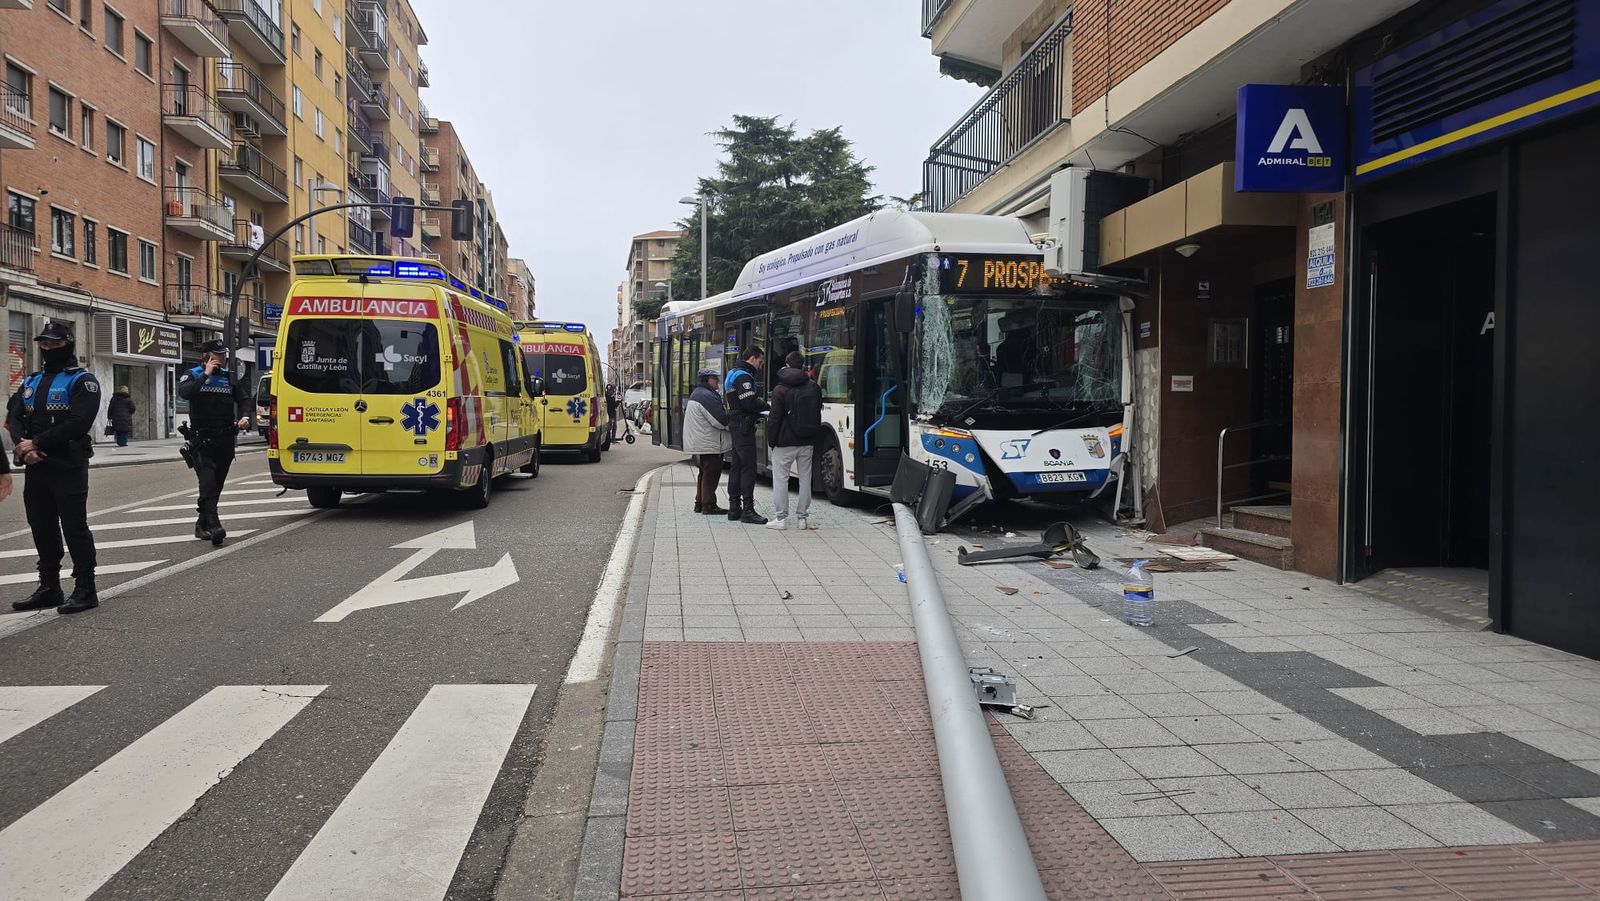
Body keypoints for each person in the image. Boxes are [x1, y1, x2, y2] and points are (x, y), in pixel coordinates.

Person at [5, 322, 101, 615]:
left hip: (68, 465)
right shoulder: (31, 381)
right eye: (44, 344)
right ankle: (50, 587)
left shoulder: (83, 381)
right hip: (37, 467)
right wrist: (24, 447)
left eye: (54, 345)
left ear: (68, 345)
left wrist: (36, 443)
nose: (48, 349)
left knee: (74, 527)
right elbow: (15, 416)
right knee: (41, 525)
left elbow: (79, 422)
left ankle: (86, 588)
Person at [178, 340, 252, 547]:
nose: (222, 358)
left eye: (224, 354)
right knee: (208, 482)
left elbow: (244, 400)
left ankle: (202, 523)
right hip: (202, 439)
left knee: (217, 484)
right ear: (207, 356)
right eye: (218, 354)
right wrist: (206, 374)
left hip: (226, 438)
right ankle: (214, 524)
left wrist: (245, 417)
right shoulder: (192, 374)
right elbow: (186, 393)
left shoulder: (229, 378)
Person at [765, 351, 822, 531]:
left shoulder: (780, 389)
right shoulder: (813, 387)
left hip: (783, 442)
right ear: (803, 365)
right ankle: (802, 519)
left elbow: (774, 419)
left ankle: (781, 519)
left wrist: (771, 441)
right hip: (806, 441)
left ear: (787, 365)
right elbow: (817, 413)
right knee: (805, 479)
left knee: (781, 479)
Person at [722, 346, 768, 525]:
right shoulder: (743, 376)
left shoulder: (732, 372)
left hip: (736, 425)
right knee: (748, 467)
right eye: (760, 361)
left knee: (736, 466)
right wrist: (767, 407)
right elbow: (749, 402)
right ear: (753, 358)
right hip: (743, 426)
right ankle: (748, 509)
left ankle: (734, 508)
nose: (761, 365)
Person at [682, 367, 729, 515]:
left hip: (701, 440)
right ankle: (709, 505)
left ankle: (700, 502)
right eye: (715, 379)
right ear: (708, 379)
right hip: (708, 442)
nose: (718, 382)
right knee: (711, 473)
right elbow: (720, 421)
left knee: (704, 472)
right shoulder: (707, 396)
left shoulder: (698, 393)